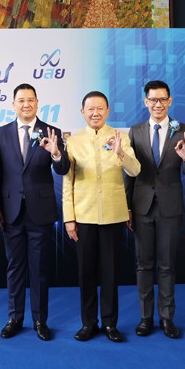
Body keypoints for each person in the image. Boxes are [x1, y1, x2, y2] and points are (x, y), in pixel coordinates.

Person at [0, 83, 69, 341]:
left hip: (40, 211)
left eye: (30, 100)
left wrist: (56, 153)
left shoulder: (52, 132)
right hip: (11, 211)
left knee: (39, 269)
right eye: (21, 100)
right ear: (13, 104)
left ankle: (39, 320)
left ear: (37, 103)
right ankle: (14, 318)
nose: (26, 104)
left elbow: (63, 169)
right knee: (14, 267)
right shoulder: (0, 133)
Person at [63, 91, 141, 342]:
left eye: (100, 108)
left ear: (107, 111)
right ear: (82, 112)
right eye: (90, 109)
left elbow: (135, 170)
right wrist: (69, 218)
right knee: (85, 273)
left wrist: (120, 153)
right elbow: (67, 182)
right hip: (83, 215)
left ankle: (109, 324)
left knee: (110, 273)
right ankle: (88, 323)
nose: (95, 113)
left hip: (112, 214)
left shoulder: (120, 137)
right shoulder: (73, 141)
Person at [125, 80, 185, 339]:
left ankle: (167, 318)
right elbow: (129, 174)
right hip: (141, 206)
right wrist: (127, 207)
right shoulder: (135, 131)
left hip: (170, 207)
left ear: (170, 101)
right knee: (143, 265)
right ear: (146, 102)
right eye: (153, 99)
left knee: (167, 265)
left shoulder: (183, 130)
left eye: (162, 99)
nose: (158, 104)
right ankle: (146, 318)